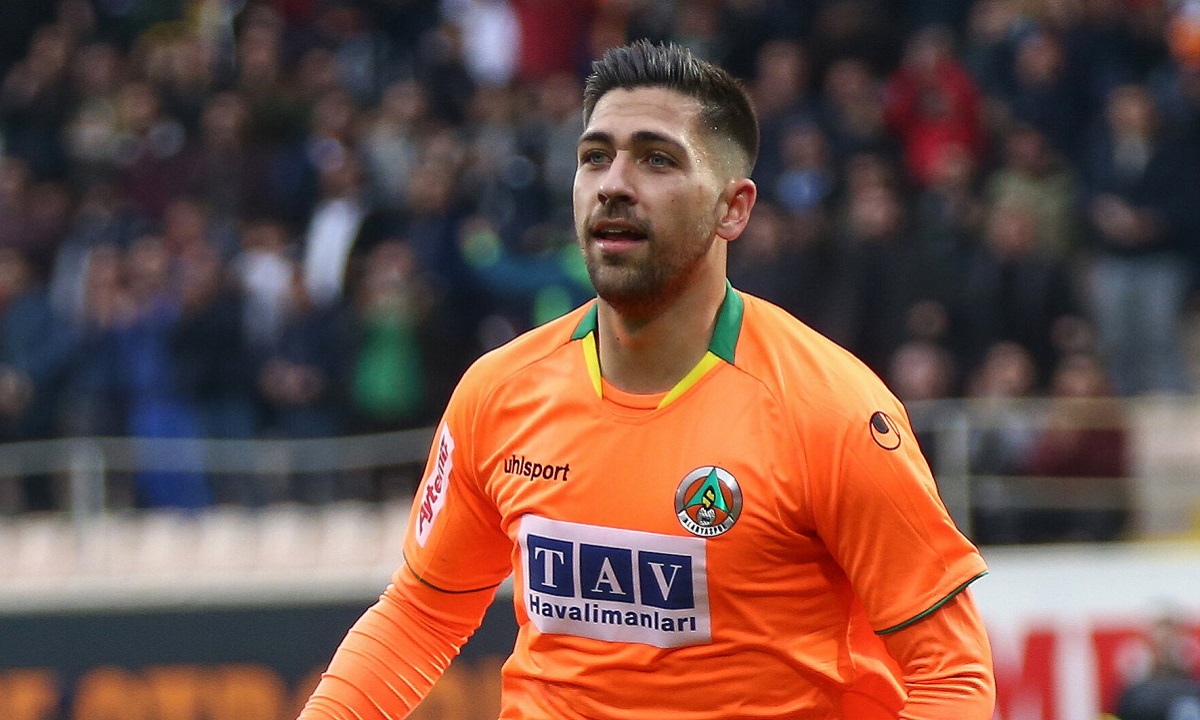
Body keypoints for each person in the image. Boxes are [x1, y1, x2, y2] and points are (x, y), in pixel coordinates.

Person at [298, 40, 995, 719]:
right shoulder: (499, 391)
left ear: (733, 208)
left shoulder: (832, 413)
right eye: (595, 157)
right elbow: (422, 612)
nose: (614, 184)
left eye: (657, 159)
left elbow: (952, 675)